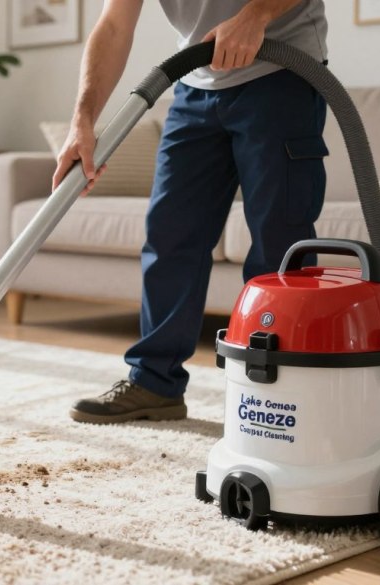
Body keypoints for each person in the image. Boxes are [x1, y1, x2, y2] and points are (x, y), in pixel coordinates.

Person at [59, 0, 329, 424]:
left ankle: (279, 393)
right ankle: (154, 382)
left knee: (279, 242)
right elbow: (113, 25)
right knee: (170, 235)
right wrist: (83, 120)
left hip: (281, 76)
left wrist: (255, 15)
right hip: (195, 85)